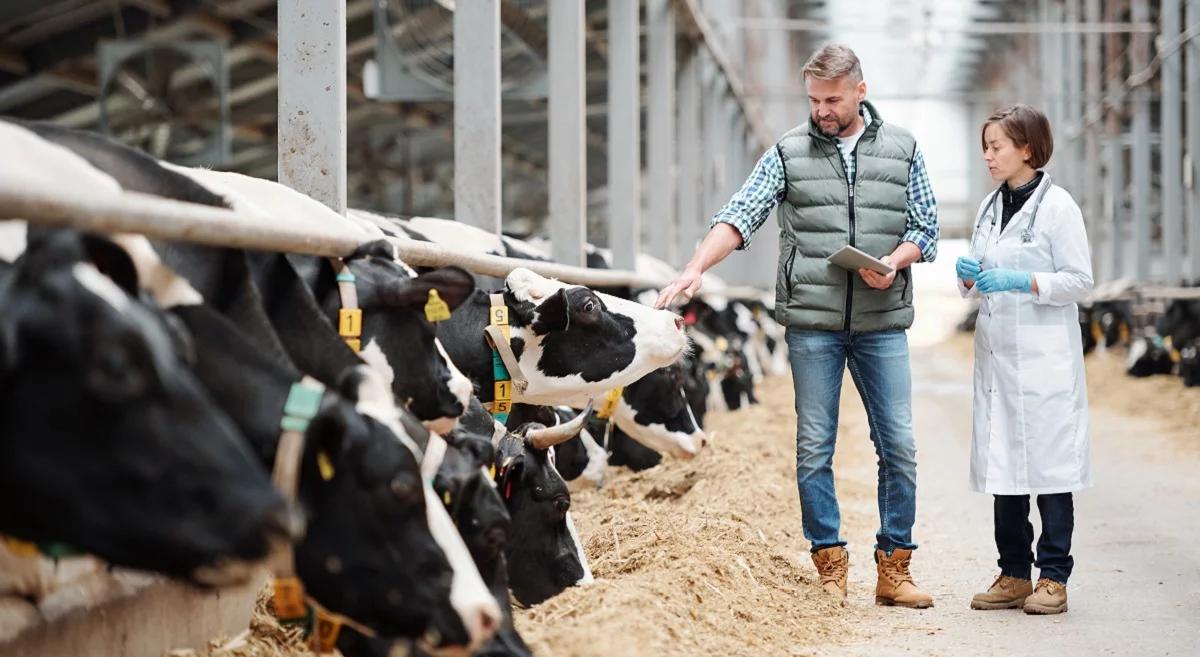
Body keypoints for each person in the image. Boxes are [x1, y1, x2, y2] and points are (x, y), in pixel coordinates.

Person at [655, 44, 939, 608]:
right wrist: (694, 267)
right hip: (813, 323)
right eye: (813, 99)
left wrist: (896, 262)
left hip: (883, 321)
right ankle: (829, 562)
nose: (822, 110)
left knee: (900, 446)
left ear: (861, 90)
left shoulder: (903, 148)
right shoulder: (788, 151)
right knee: (814, 446)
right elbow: (741, 213)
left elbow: (925, 226)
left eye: (832, 99)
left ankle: (894, 568)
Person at [956, 104, 1093, 616]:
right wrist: (968, 276)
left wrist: (1025, 281)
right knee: (1004, 467)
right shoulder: (989, 209)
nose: (988, 156)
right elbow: (974, 283)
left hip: (1044, 361)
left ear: (1027, 149)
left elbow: (1080, 281)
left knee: (1051, 470)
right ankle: (1014, 572)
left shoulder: (1059, 208)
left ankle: (1053, 576)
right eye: (985, 148)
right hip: (998, 359)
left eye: (996, 147)